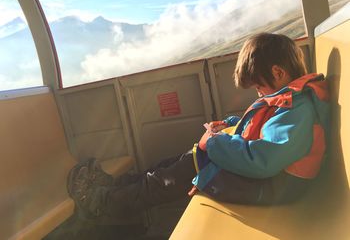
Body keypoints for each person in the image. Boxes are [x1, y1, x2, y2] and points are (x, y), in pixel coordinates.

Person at [67, 33, 329, 221]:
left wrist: (215, 142)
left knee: (166, 180)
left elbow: (263, 161)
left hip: (268, 187)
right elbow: (264, 131)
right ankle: (112, 185)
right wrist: (230, 125)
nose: (259, 95)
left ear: (278, 72)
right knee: (168, 165)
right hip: (259, 178)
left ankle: (99, 202)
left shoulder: (296, 110)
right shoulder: (288, 102)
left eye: (259, 87)